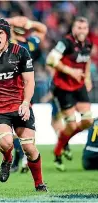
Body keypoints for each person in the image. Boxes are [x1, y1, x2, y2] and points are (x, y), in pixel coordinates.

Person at [0, 18, 47, 191]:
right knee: (6, 143)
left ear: (7, 36)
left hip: (20, 105)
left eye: (0, 33)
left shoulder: (21, 52)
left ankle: (39, 184)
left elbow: (29, 82)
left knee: (29, 148)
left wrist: (26, 103)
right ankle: (7, 159)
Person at [46, 16, 93, 171]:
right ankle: (58, 149)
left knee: (88, 121)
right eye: (79, 28)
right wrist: (70, 71)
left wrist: (87, 78)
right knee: (71, 124)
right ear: (73, 29)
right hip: (63, 87)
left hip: (79, 86)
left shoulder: (88, 43)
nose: (82, 31)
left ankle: (64, 141)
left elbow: (87, 61)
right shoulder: (65, 42)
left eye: (84, 28)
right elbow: (51, 60)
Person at [6, 16, 47, 173]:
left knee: (22, 123)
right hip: (10, 87)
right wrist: (16, 21)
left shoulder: (27, 43)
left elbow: (43, 29)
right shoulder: (11, 42)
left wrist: (25, 22)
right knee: (18, 124)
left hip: (24, 87)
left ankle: (21, 157)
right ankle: (20, 157)